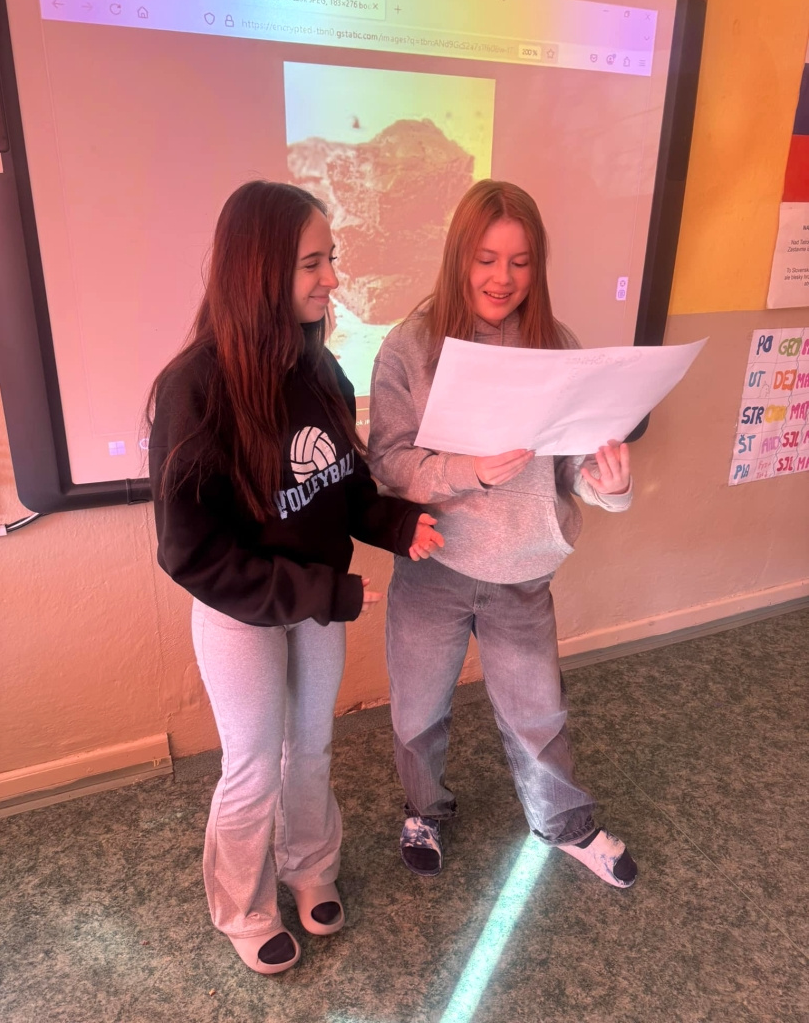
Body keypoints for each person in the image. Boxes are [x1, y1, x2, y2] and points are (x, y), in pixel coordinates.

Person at [148, 181, 443, 975]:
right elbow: (190, 555)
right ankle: (243, 909)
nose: (332, 279)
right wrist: (322, 593)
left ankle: (309, 865)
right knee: (253, 764)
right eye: (313, 263)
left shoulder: (320, 370)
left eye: (330, 258)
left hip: (315, 604)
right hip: (240, 612)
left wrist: (397, 525)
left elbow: (344, 488)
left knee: (310, 748)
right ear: (260, 270)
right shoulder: (192, 390)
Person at [368, 179, 637, 889]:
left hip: (523, 570)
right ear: (459, 256)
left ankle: (564, 823)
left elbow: (572, 466)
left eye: (520, 262)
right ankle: (424, 809)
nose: (502, 278)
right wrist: (470, 472)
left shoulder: (557, 346)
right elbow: (388, 462)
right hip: (434, 566)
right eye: (486, 259)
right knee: (417, 711)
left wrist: (607, 485)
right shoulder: (410, 346)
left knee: (537, 713)